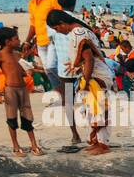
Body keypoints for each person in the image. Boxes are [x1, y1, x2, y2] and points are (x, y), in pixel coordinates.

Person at [47, 9, 112, 152]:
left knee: (98, 109)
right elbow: (86, 59)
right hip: (92, 74)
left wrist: (86, 81)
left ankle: (103, 144)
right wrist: (76, 67)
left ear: (62, 23)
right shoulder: (79, 32)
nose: (57, 32)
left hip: (96, 75)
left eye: (56, 28)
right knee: (92, 109)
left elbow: (89, 59)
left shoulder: (78, 33)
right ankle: (96, 142)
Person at [0, 28, 43, 157]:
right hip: (10, 89)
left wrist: (28, 72)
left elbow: (20, 71)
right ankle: (16, 146)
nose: (19, 41)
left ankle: (34, 145)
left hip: (23, 89)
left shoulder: (16, 54)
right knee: (12, 118)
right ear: (8, 41)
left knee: (27, 117)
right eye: (16, 39)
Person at [23, 0, 61, 96]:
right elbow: (33, 24)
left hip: (52, 40)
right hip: (40, 42)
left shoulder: (51, 0)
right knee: (47, 70)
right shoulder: (31, 3)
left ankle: (67, 90)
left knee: (52, 67)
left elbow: (61, 18)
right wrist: (27, 41)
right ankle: (60, 93)